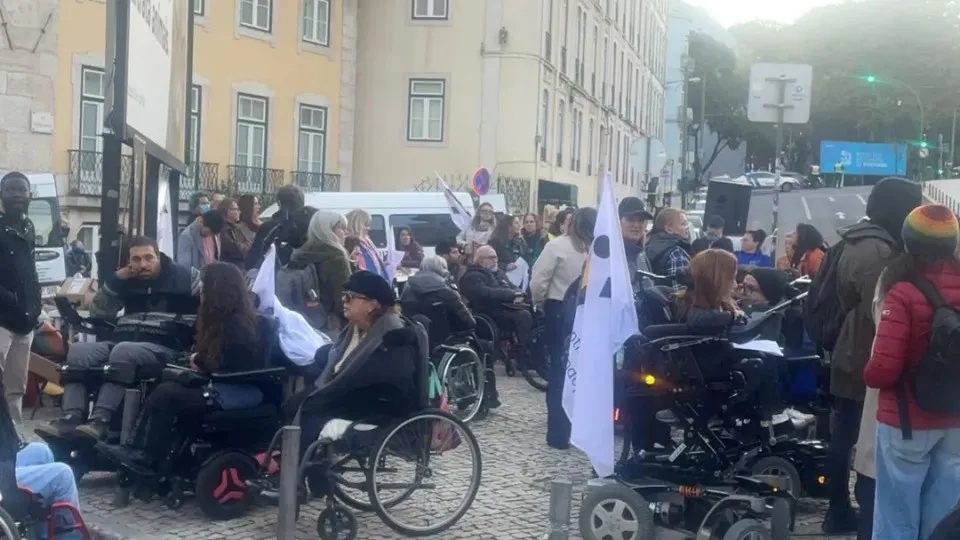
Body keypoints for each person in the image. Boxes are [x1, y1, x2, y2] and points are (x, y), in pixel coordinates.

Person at [96, 262, 266, 473]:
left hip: (234, 390)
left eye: (205, 286)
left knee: (167, 394)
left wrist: (200, 360)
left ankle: (146, 455)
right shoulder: (218, 319)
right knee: (163, 384)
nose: (201, 292)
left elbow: (232, 363)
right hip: (219, 384)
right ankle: (140, 449)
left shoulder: (238, 325)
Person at [823, 176, 922, 534]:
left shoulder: (857, 241)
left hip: (851, 352)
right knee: (859, 445)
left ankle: (839, 509)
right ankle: (844, 512)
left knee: (845, 435)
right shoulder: (879, 252)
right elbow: (879, 311)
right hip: (864, 355)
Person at [36, 236, 201, 441]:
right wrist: (115, 281)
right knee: (78, 351)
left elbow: (214, 302)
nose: (143, 264)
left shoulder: (186, 277)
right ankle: (71, 417)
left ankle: (100, 421)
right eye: (136, 259)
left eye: (149, 258)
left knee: (123, 351)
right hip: (124, 340)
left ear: (159, 256)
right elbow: (99, 312)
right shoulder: (126, 281)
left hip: (166, 346)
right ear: (129, 262)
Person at [865, 204, 960, 539]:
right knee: (944, 516)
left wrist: (868, 370)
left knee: (896, 515)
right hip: (955, 420)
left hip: (906, 422)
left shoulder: (902, 290)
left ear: (907, 242)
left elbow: (882, 371)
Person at [288, 271, 424, 468]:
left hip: (376, 404)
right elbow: (339, 363)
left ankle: (302, 478)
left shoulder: (392, 335)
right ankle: (288, 469)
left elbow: (392, 380)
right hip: (350, 392)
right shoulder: (355, 327)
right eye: (344, 295)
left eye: (350, 297)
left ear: (373, 304)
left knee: (309, 413)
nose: (344, 301)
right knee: (292, 405)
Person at [672, 249, 813, 429]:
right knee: (761, 360)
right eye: (731, 277)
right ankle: (773, 412)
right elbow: (697, 320)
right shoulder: (695, 305)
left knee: (768, 355)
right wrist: (730, 317)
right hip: (709, 364)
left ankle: (777, 409)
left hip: (709, 358)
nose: (735, 283)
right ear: (718, 280)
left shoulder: (702, 301)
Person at [531, 208, 596, 450]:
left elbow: (539, 280)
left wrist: (538, 303)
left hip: (559, 310)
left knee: (560, 370)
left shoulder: (557, 246)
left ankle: (559, 432)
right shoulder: (600, 249)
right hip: (591, 311)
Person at [0, 171, 40, 425]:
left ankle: (13, 440)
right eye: (10, 190)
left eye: (21, 190)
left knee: (16, 389)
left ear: (30, 195)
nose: (16, 194)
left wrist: (36, 307)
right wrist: (9, 298)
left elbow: (31, 271)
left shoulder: (28, 227)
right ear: (1, 195)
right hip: (2, 321)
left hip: (26, 324)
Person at [459, 245, 533, 371]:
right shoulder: (472, 276)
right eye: (492, 258)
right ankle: (522, 355)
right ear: (481, 260)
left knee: (534, 312)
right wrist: (510, 295)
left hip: (505, 307)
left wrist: (520, 293)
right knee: (523, 316)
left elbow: (511, 287)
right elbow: (484, 293)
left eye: (496, 257)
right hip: (488, 312)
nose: (496, 260)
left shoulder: (498, 273)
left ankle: (532, 350)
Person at [287, 211, 352, 333]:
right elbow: (343, 299)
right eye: (342, 228)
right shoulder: (337, 257)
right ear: (328, 231)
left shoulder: (298, 254)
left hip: (302, 321)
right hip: (331, 324)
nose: (346, 233)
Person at [246, 185, 309, 268]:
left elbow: (252, 260)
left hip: (273, 277)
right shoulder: (312, 229)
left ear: (279, 203)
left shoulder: (267, 228)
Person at [645, 207, 692, 292]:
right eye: (683, 224)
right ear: (669, 229)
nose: (687, 227)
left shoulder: (648, 245)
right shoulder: (676, 252)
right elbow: (681, 292)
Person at [618, 197, 655, 290]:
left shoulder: (641, 256)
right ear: (618, 221)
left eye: (641, 220)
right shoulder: (606, 255)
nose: (636, 225)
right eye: (630, 219)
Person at [345, 209, 388, 280]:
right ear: (357, 224)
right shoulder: (350, 243)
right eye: (366, 225)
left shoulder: (366, 241)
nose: (369, 228)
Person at [217, 197, 251, 269]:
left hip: (239, 268)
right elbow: (236, 250)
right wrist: (243, 246)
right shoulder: (222, 229)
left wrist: (243, 246)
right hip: (229, 269)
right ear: (227, 211)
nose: (239, 212)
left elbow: (248, 243)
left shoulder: (236, 228)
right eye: (236, 209)